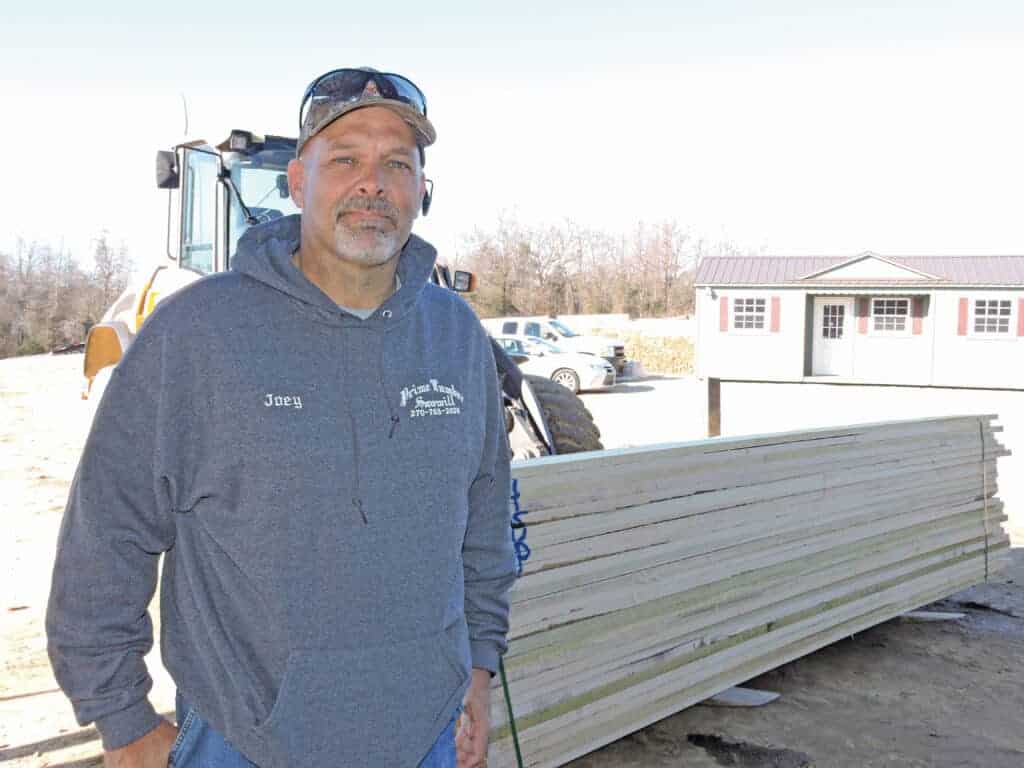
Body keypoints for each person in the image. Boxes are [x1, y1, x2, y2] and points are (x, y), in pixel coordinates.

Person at [46, 67, 516, 768]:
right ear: (298, 183)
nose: (373, 184)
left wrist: (477, 668)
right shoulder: (196, 334)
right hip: (247, 740)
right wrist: (123, 715)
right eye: (346, 159)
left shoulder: (455, 336)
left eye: (397, 164)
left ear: (422, 189)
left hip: (428, 733)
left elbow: (484, 519)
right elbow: (105, 534)